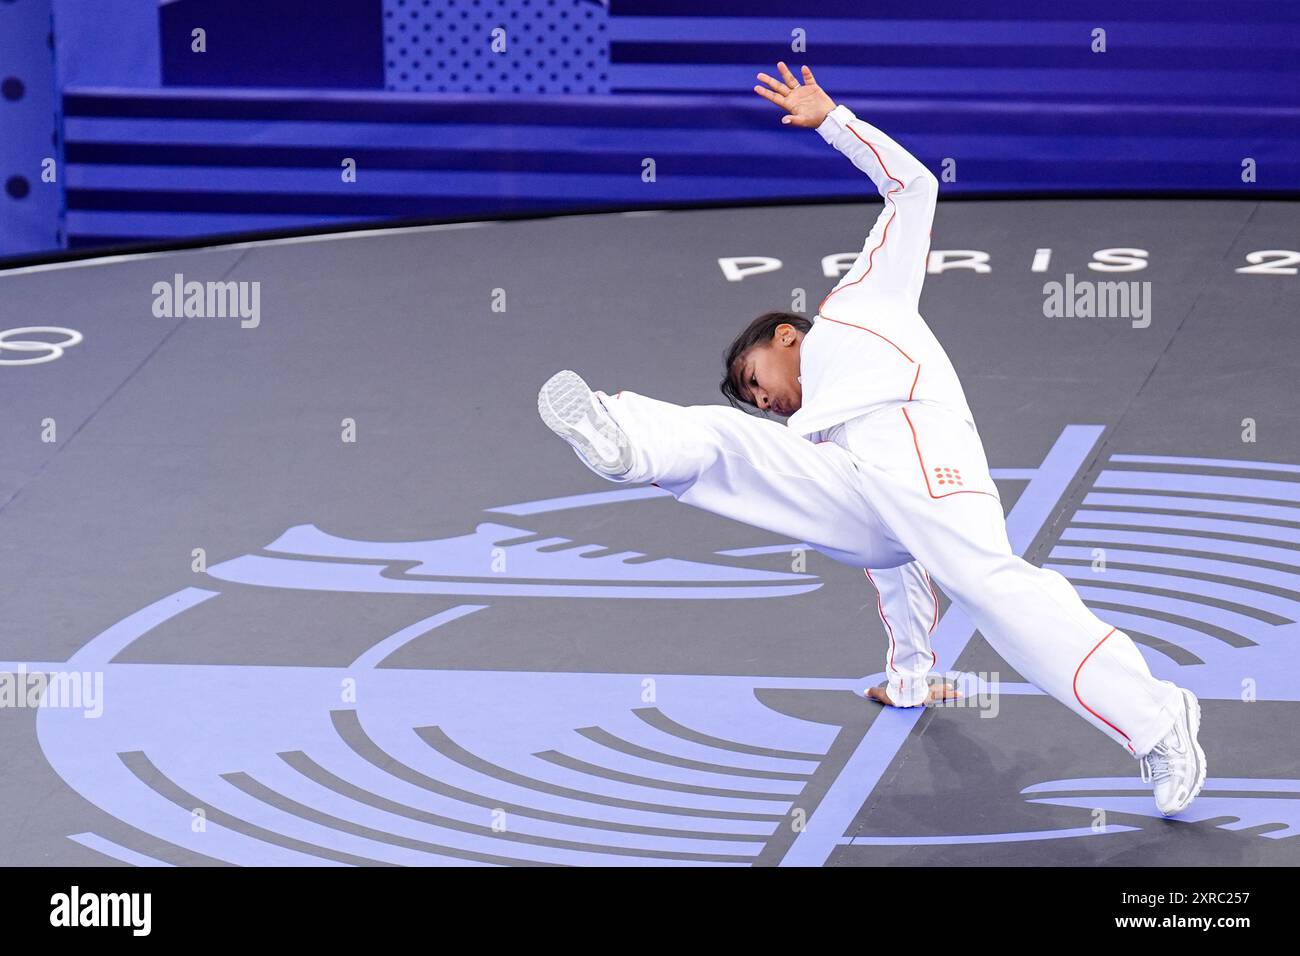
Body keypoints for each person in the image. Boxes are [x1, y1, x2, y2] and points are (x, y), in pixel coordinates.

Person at [536, 62, 1206, 817]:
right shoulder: (815, 431)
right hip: (868, 489)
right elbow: (894, 569)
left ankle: (1157, 718)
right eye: (757, 398)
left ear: (785, 334)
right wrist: (911, 677)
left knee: (993, 590)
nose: (763, 398)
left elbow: (916, 189)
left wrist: (832, 120)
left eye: (754, 377)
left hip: (918, 442)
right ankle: (621, 435)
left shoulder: (859, 302)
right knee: (728, 441)